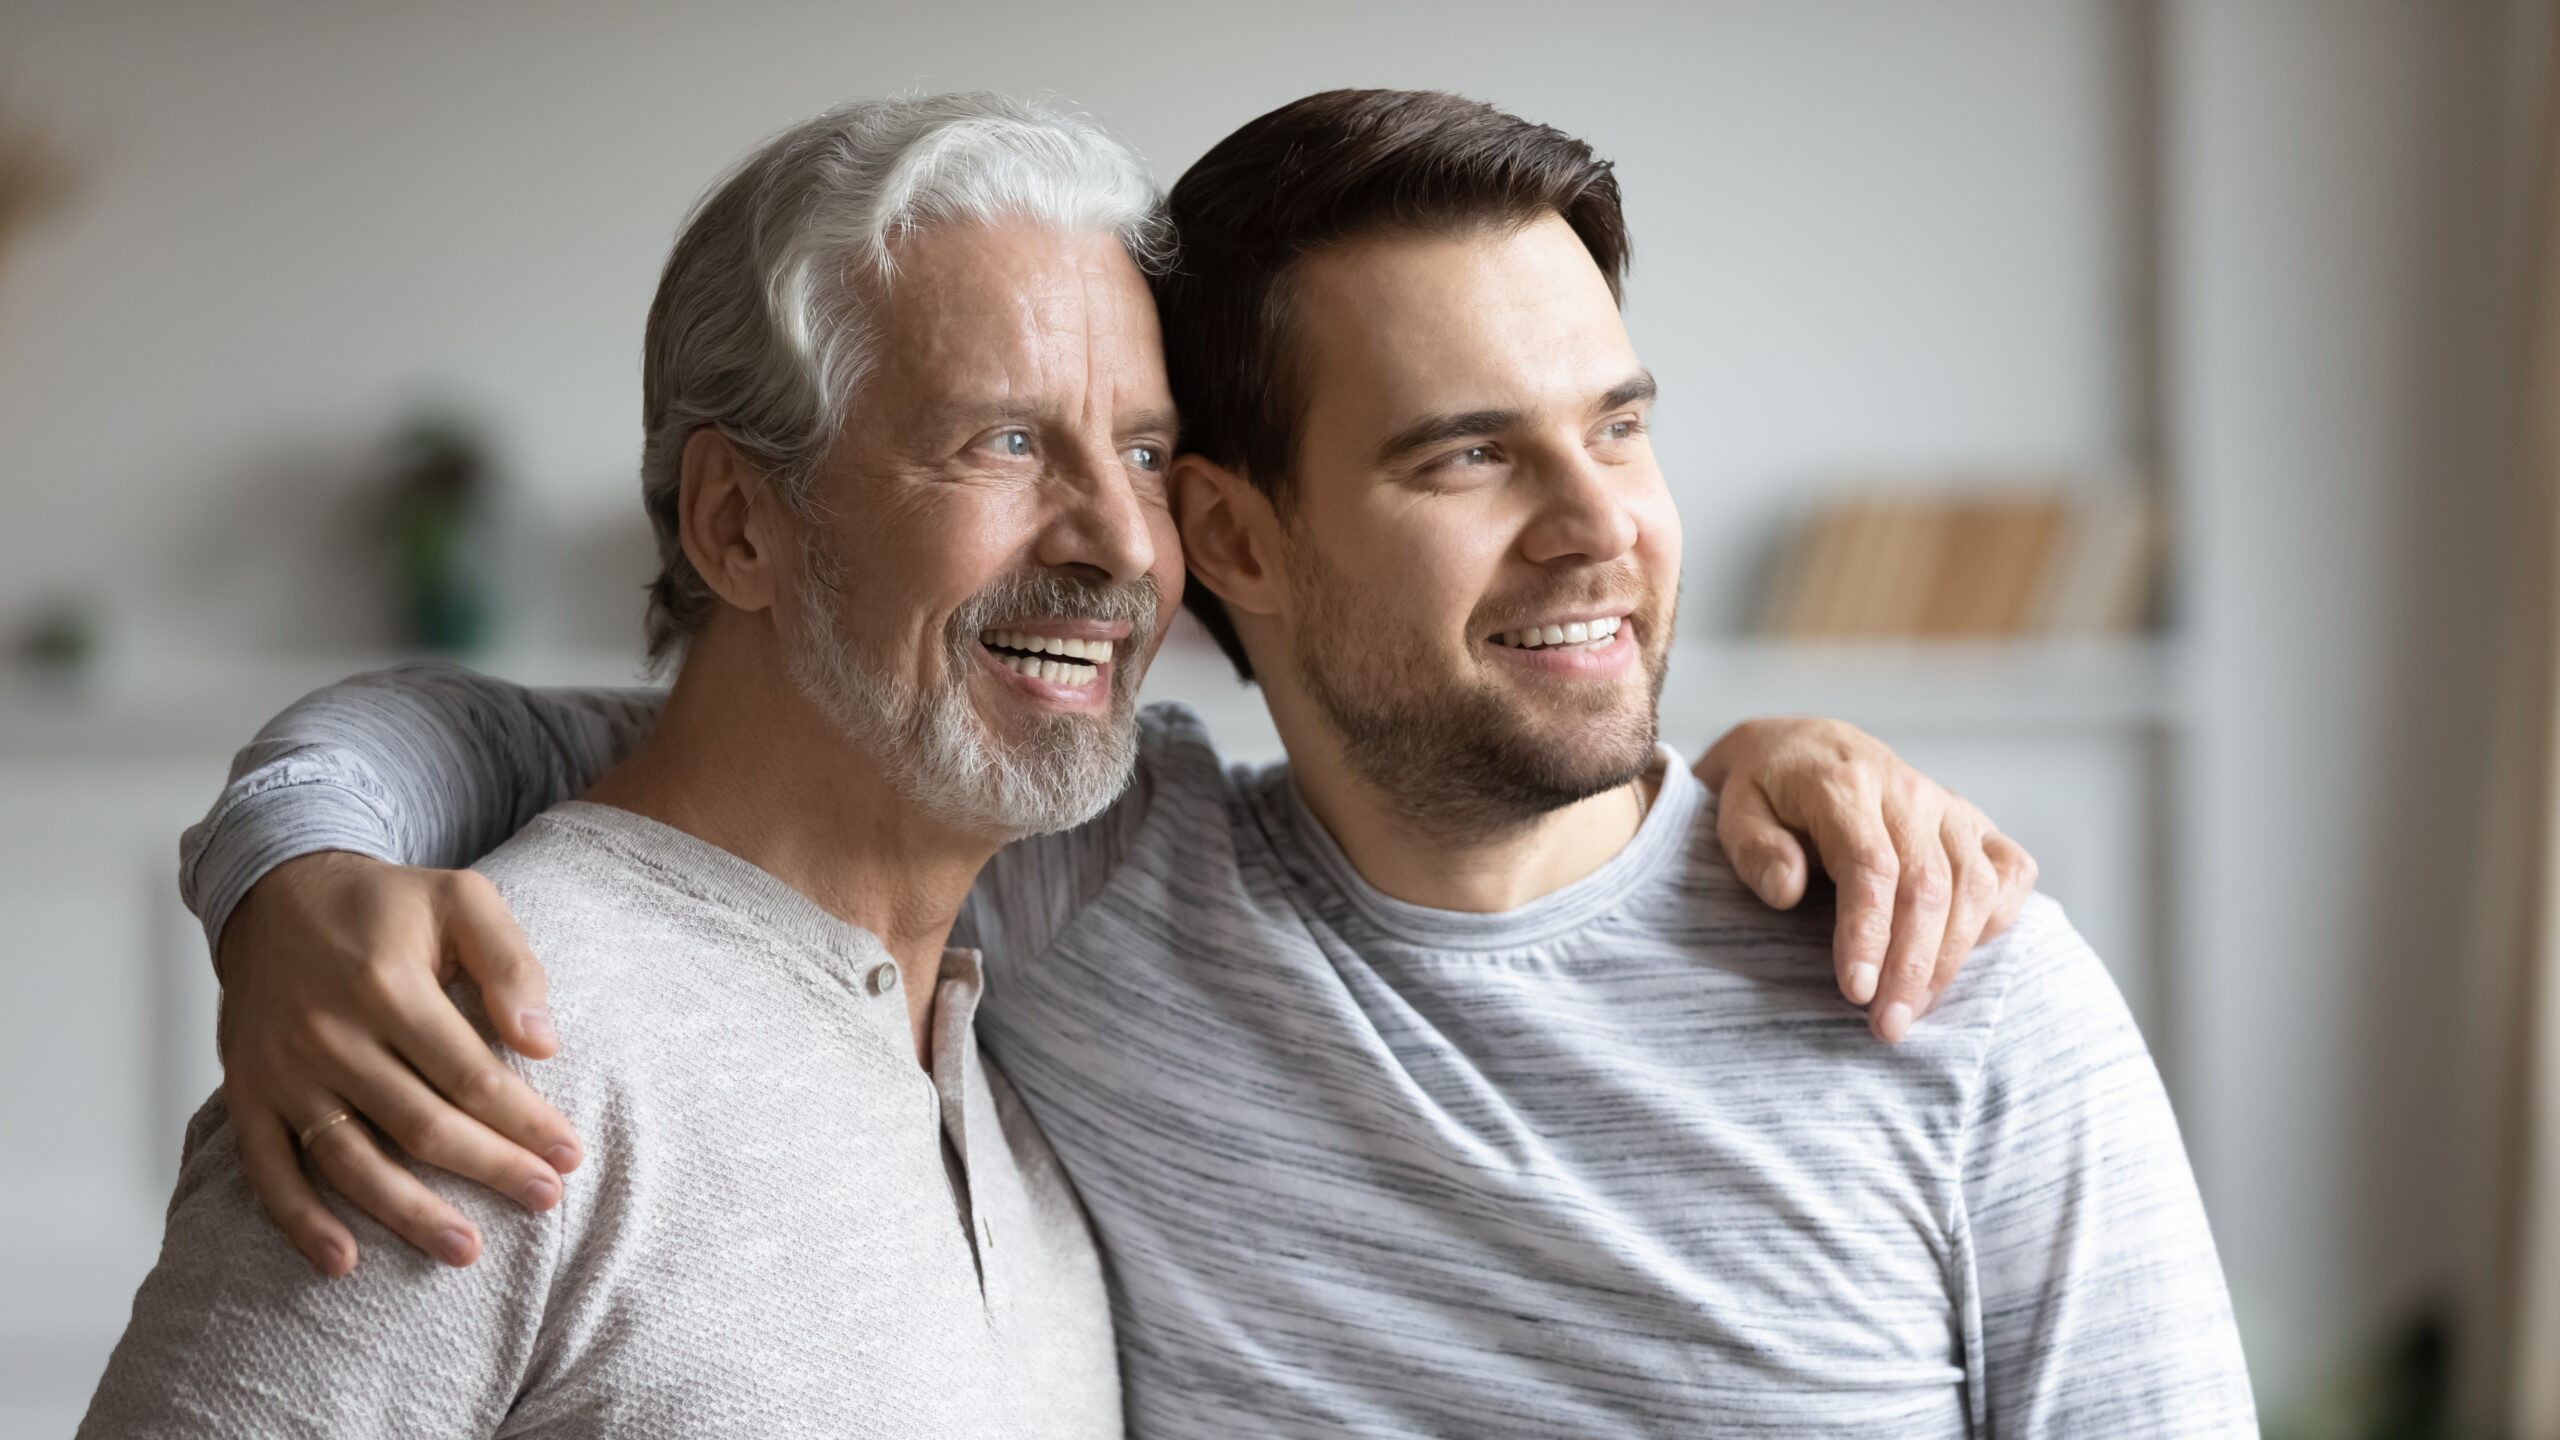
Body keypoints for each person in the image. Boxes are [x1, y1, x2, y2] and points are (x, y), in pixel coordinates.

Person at [146, 90, 2253, 1436]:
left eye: (1617, 426)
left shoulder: (1948, 984)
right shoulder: (1065, 882)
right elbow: (616, 766)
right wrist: (288, 863)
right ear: (1239, 540)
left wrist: (1774, 756)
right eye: (1464, 455)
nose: (1600, 521)